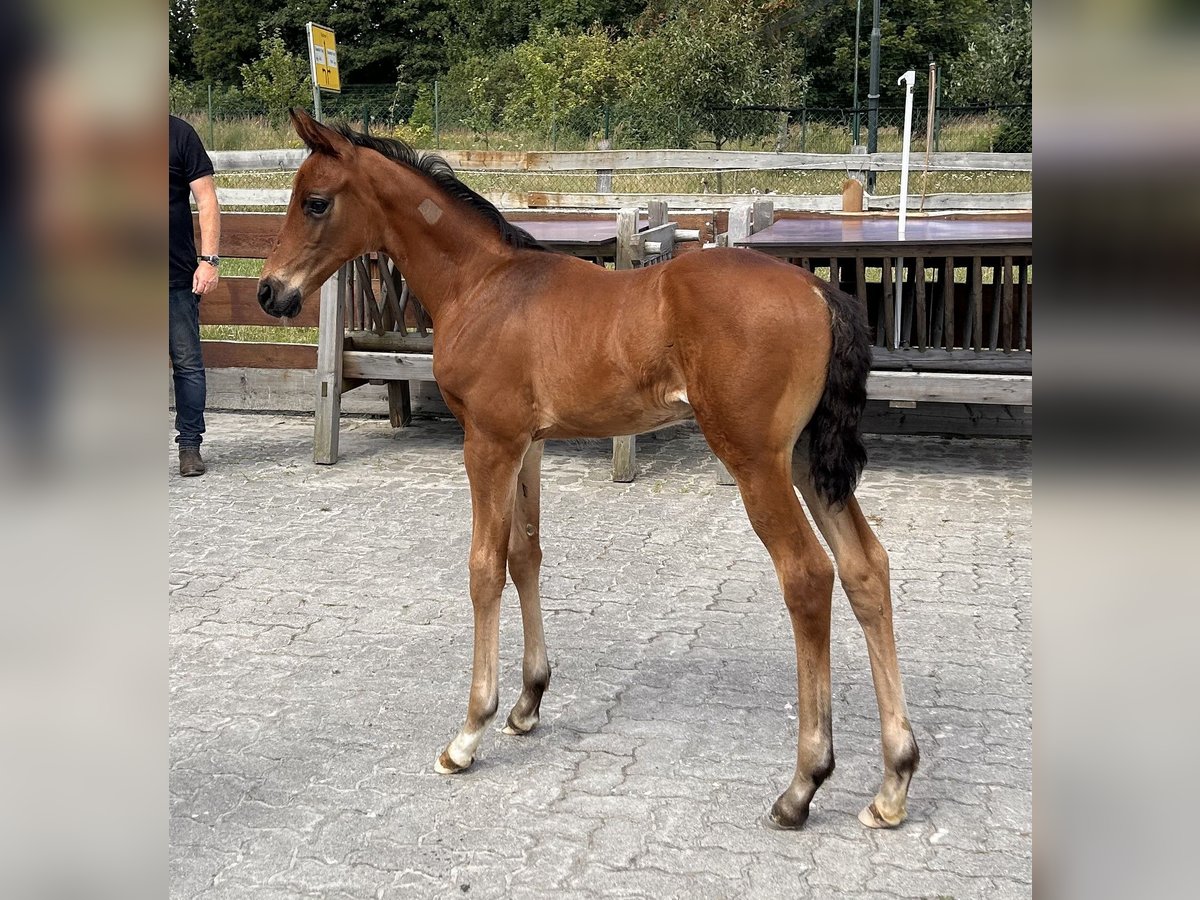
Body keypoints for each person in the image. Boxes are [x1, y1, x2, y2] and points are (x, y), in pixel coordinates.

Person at [169, 115, 220, 476]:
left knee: (187, 365)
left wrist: (209, 260)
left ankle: (190, 446)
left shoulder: (180, 134)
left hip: (175, 276)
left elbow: (207, 200)